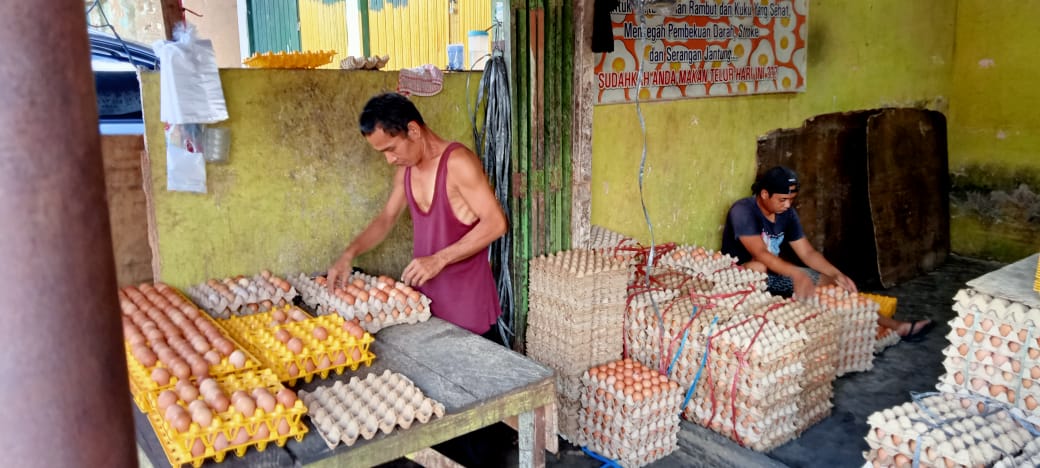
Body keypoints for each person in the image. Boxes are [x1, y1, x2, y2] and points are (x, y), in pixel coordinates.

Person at [326, 93, 507, 337]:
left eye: (391, 149)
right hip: (426, 305)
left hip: (467, 309)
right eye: (383, 153)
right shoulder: (406, 170)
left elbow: (496, 223)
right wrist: (349, 253)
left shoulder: (458, 163)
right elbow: (386, 218)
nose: (390, 160)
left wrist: (439, 259)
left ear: (413, 130)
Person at [721, 166, 934, 340]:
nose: (788, 205)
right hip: (743, 277)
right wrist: (796, 274)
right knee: (759, 268)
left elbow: (807, 252)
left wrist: (836, 274)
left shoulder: (787, 214)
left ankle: (894, 326)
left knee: (833, 286)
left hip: (775, 273)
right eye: (782, 200)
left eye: (791, 200)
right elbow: (761, 254)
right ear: (764, 194)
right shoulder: (743, 211)